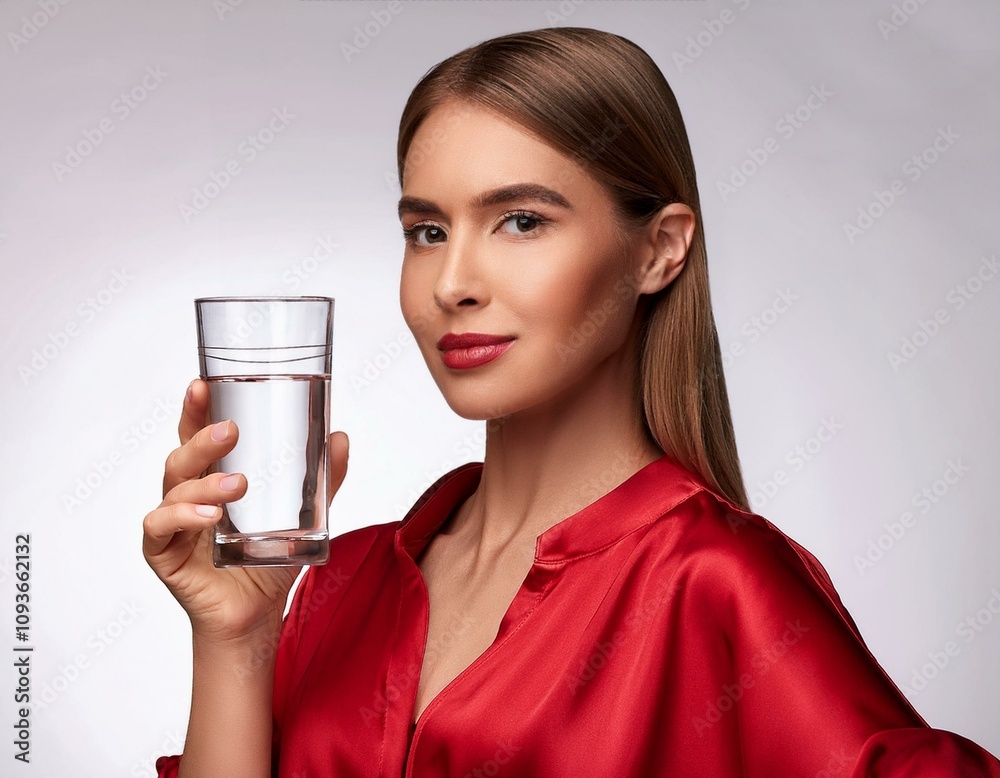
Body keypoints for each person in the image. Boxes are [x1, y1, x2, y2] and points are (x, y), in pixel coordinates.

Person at [146, 27, 1000, 778]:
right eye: (427, 231)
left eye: (521, 221)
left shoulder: (712, 582)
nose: (453, 283)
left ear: (659, 251)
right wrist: (237, 640)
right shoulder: (346, 583)